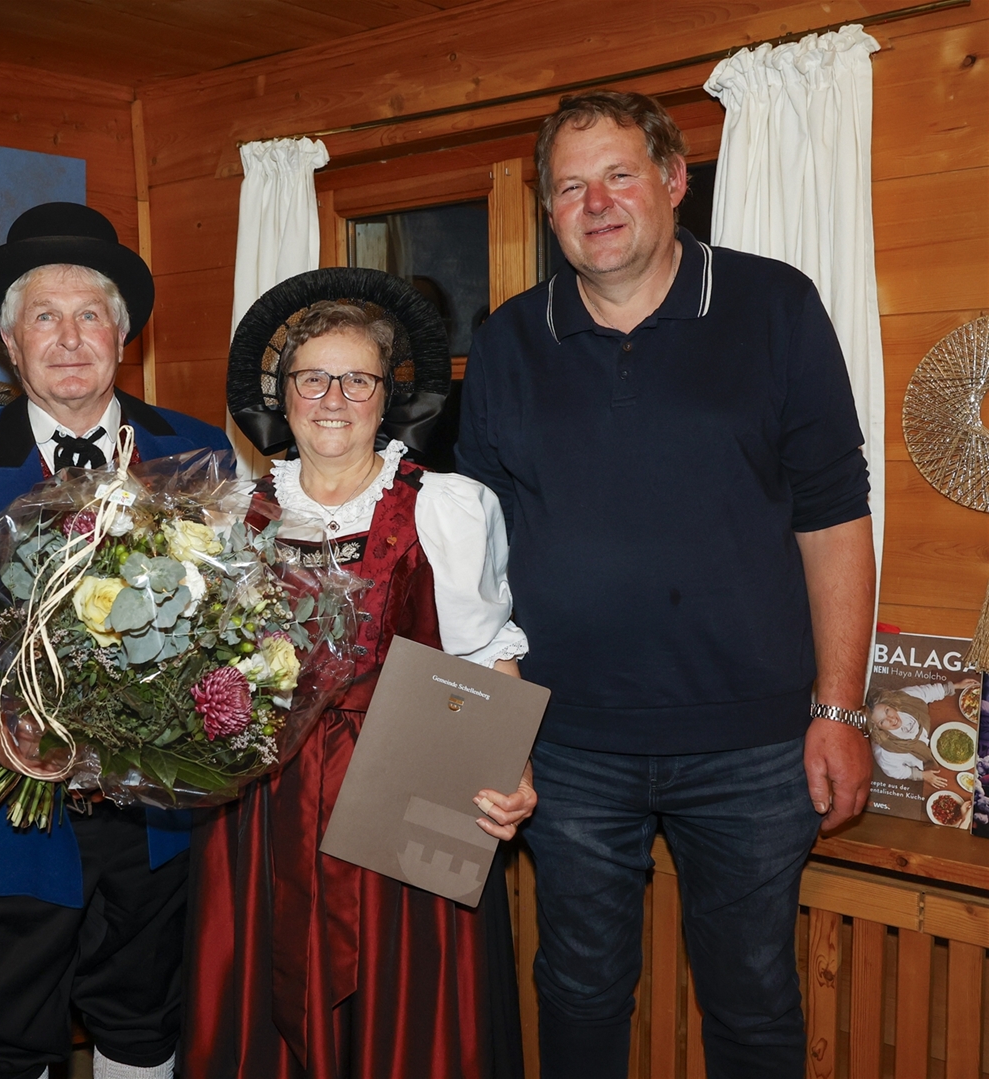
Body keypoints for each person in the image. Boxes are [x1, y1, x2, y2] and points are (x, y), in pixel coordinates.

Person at [455, 91, 876, 1078]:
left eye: (619, 175)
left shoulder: (776, 307)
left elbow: (834, 516)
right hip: (565, 745)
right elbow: (474, 556)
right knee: (578, 993)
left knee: (754, 1002)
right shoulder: (508, 340)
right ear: (548, 210)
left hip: (755, 747)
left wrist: (841, 708)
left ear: (675, 180)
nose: (596, 203)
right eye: (571, 187)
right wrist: (489, 730)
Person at [0, 202, 230, 1079]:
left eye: (90, 315)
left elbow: (232, 622)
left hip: (157, 822)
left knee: (146, 1029)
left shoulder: (197, 450)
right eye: (44, 318)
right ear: (9, 342)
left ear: (122, 334)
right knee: (0, 1044)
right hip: (8, 816)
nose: (69, 339)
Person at [187, 268, 536, 1079]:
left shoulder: (447, 505)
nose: (334, 398)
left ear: (387, 398)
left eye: (358, 380)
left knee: (405, 1017)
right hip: (261, 808)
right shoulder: (228, 512)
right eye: (313, 378)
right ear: (284, 397)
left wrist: (514, 768)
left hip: (406, 793)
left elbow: (488, 653)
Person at [866, 678, 978, 787]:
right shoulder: (884, 752)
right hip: (928, 762)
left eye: (887, 711)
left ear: (890, 704)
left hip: (936, 728)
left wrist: (955, 686)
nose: (891, 719)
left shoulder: (905, 698)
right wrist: (921, 775)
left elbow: (926, 692)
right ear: (876, 727)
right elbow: (894, 771)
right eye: (882, 721)